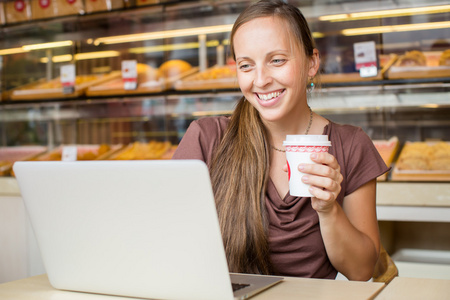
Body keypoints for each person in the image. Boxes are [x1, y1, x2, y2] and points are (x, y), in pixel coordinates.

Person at [172, 0, 389, 281]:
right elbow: (170, 243)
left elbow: (361, 271)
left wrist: (328, 209)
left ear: (312, 63)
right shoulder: (207, 139)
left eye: (277, 60)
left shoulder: (351, 145)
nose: (260, 80)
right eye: (246, 65)